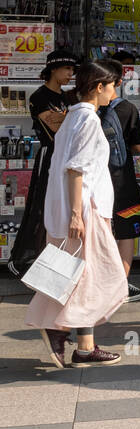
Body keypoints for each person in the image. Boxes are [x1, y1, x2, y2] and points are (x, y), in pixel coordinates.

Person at [27, 60, 127, 367]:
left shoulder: (72, 116)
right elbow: (76, 169)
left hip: (72, 208)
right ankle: (61, 330)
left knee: (78, 275)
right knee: (101, 276)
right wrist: (76, 214)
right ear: (99, 87)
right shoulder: (88, 120)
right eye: (112, 86)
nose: (114, 91)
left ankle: (82, 344)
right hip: (87, 209)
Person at [7, 50, 77, 278]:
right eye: (67, 69)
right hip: (49, 156)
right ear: (53, 69)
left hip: (68, 156)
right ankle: (25, 259)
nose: (70, 74)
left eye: (73, 70)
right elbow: (59, 127)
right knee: (42, 207)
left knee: (63, 208)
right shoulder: (39, 96)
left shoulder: (69, 97)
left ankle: (55, 258)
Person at [101, 81, 140, 302]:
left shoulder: (83, 108)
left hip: (93, 182)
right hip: (122, 180)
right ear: (119, 83)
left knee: (98, 233)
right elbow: (138, 146)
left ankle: (97, 284)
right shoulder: (127, 108)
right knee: (125, 233)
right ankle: (121, 286)